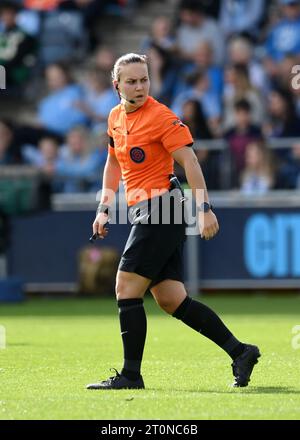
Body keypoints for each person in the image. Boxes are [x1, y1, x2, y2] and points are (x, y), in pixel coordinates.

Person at [86, 53, 260, 390]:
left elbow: (190, 162)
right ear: (116, 85)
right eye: (132, 81)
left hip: (162, 208)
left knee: (125, 288)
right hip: (145, 210)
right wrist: (103, 208)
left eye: (144, 79)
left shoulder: (161, 117)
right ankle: (241, 352)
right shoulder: (114, 118)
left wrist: (204, 208)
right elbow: (112, 164)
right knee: (170, 298)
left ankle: (131, 376)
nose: (139, 86)